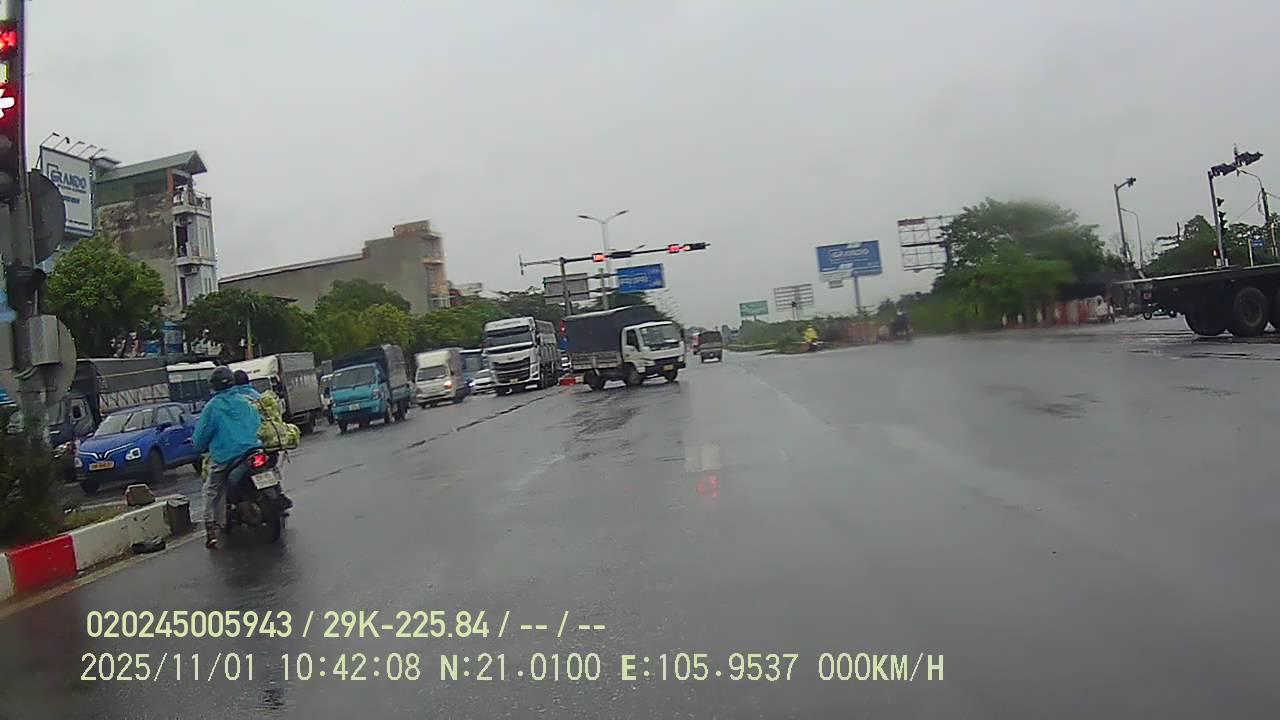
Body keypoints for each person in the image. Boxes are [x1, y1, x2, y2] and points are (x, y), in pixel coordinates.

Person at [193, 366, 264, 548]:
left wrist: (199, 446)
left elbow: (201, 436)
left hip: (227, 457)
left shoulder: (213, 407)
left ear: (214, 386)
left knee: (211, 490)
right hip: (254, 449)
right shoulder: (245, 401)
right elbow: (258, 422)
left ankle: (210, 530)